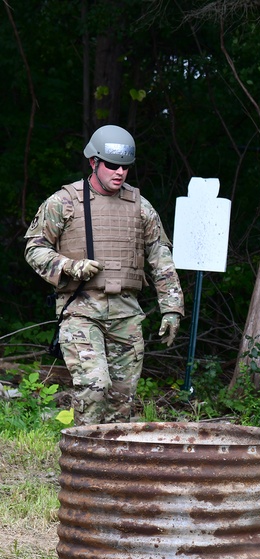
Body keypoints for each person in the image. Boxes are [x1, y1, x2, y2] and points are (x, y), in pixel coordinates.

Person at [24, 124, 184, 426]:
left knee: (121, 399)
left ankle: (110, 467)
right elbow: (34, 248)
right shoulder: (64, 202)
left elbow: (161, 258)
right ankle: (79, 459)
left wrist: (172, 308)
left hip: (126, 313)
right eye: (112, 165)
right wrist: (68, 266)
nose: (119, 172)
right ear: (93, 162)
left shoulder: (140, 207)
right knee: (95, 386)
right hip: (82, 310)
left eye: (125, 166)